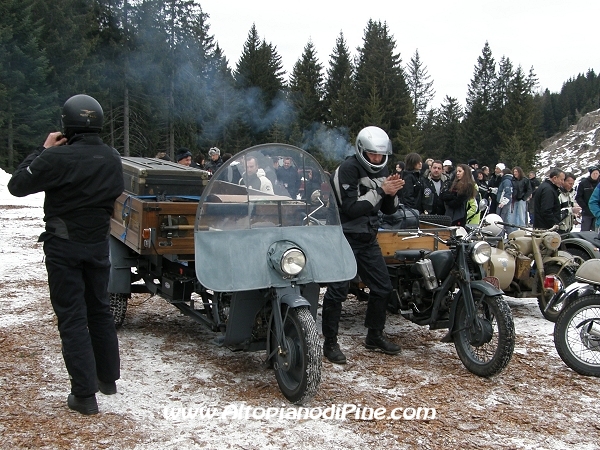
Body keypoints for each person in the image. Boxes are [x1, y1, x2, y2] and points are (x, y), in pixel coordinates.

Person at [7, 94, 123, 415]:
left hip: (64, 246)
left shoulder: (58, 158)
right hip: (98, 245)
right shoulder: (113, 158)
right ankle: (107, 379)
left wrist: (42, 150)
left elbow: (17, 185)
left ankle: (84, 395)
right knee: (99, 310)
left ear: (66, 124)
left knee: (72, 316)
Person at [322, 126, 404, 364]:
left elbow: (388, 210)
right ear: (361, 150)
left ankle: (374, 336)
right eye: (372, 154)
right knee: (337, 292)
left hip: (368, 238)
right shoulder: (347, 169)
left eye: (380, 154)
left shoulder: (384, 168)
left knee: (383, 287)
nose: (377, 159)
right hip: (343, 237)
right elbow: (351, 209)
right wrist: (381, 190)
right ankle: (330, 343)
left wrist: (392, 194)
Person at [575, 166, 600, 231]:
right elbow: (578, 197)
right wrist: (585, 207)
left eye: (597, 173)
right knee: (585, 231)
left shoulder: (599, 183)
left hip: (597, 212)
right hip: (586, 211)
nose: (595, 175)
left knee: (595, 232)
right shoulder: (583, 183)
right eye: (593, 173)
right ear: (590, 174)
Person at [496, 168, 515, 234]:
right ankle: (510, 234)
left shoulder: (506, 181)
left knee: (501, 219)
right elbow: (501, 191)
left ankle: (501, 234)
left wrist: (503, 202)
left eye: (501, 172)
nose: (500, 174)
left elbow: (507, 192)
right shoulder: (505, 180)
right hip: (503, 202)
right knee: (504, 219)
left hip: (503, 203)